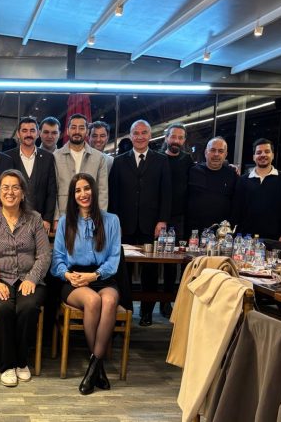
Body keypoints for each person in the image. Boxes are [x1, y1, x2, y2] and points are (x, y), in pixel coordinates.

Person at [0, 169, 50, 387]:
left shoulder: (34, 219)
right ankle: (7, 365)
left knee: (28, 307)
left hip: (29, 278)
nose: (10, 192)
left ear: (23, 193)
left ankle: (21, 361)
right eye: (5, 187)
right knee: (3, 308)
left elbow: (44, 255)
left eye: (15, 187)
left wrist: (32, 278)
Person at [52, 173, 121, 395]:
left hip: (102, 276)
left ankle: (94, 366)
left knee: (109, 301)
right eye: (78, 190)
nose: (83, 194)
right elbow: (57, 259)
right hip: (74, 279)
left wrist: (94, 276)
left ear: (94, 190)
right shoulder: (65, 222)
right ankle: (97, 366)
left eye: (87, 188)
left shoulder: (112, 220)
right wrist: (67, 275)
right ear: (73, 195)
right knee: (92, 301)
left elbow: (114, 259)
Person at [108, 120, 171, 327]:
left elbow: (166, 193)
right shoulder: (119, 161)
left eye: (144, 133)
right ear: (131, 135)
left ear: (150, 136)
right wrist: (114, 222)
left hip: (151, 225)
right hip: (124, 224)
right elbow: (114, 195)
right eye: (136, 133)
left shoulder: (161, 161)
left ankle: (146, 313)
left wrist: (162, 220)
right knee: (122, 270)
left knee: (150, 271)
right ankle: (124, 311)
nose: (140, 136)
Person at [160, 123, 194, 318]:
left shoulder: (187, 160)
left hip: (179, 218)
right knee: (152, 262)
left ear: (184, 140)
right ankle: (148, 308)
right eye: (173, 137)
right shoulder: (157, 158)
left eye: (180, 138)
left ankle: (170, 304)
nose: (176, 141)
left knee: (174, 263)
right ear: (166, 138)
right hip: (158, 218)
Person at [232, 138, 281, 242]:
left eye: (267, 151)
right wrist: (236, 235)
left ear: (273, 155)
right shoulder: (243, 180)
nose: (263, 155)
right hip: (247, 238)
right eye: (259, 152)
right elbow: (237, 210)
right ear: (254, 157)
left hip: (276, 238)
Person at [5, 116, 57, 232]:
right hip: (13, 220)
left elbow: (52, 191)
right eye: (24, 130)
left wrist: (47, 219)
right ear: (18, 134)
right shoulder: (7, 157)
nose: (28, 134)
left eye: (32, 130)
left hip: (40, 221)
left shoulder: (48, 158)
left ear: (38, 133)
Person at [53, 113, 109, 222]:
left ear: (87, 132)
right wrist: (55, 218)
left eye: (81, 128)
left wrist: (101, 218)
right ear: (67, 131)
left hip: (91, 216)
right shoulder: (56, 156)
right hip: (64, 215)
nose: (77, 131)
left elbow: (103, 191)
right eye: (73, 127)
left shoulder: (98, 157)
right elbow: (52, 190)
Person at [185, 137, 238, 236]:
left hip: (221, 233)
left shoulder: (232, 175)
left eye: (220, 151)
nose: (216, 154)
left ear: (225, 154)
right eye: (212, 150)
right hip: (194, 232)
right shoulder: (192, 171)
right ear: (206, 152)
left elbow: (236, 204)